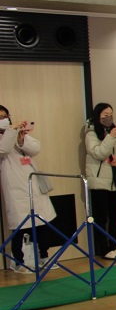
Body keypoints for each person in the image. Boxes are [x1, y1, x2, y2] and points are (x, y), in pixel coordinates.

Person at [0, 108, 55, 274]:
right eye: (0, 117)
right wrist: (11, 131)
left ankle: (44, 257)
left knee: (41, 222)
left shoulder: (15, 132)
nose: (4, 119)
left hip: (32, 182)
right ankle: (18, 262)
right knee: (20, 225)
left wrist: (21, 139)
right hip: (15, 186)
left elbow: (35, 148)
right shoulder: (7, 134)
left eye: (5, 116)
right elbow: (4, 149)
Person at [84, 103, 116, 259]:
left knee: (115, 216)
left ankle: (113, 246)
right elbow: (99, 153)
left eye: (111, 114)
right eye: (105, 115)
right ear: (97, 115)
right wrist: (111, 137)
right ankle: (103, 249)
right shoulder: (91, 133)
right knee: (100, 217)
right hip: (99, 181)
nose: (109, 117)